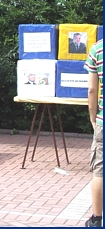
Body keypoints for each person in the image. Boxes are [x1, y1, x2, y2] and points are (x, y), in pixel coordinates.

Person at [84, 39, 103, 227]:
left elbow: (92, 90)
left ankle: (97, 219)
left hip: (103, 121)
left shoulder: (97, 49)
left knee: (100, 171)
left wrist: (93, 117)